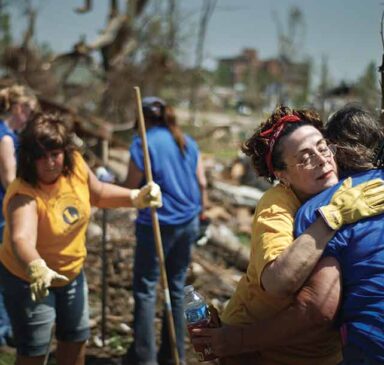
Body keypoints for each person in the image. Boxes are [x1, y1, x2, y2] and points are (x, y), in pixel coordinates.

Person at [191, 105, 384, 365]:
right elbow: (279, 283)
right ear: (282, 175)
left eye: (322, 147)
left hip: (313, 351)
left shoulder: (345, 189)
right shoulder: (277, 205)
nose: (320, 159)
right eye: (304, 157)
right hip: (258, 349)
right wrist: (331, 217)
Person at [0, 112, 162, 365]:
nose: (50, 162)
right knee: (35, 349)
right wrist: (36, 267)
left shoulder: (74, 164)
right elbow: (21, 238)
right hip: (29, 280)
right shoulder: (24, 192)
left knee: (75, 338)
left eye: (55, 154)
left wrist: (135, 198)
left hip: (72, 273)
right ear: (29, 158)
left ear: (64, 151)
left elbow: (97, 193)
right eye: (41, 156)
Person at [294, 105, 384, 364]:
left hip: (370, 345)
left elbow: (319, 309)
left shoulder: (318, 210)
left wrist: (240, 337)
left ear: (334, 150)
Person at [123, 96, 206, 365]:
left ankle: (145, 358)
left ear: (143, 118)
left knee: (146, 289)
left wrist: (108, 183)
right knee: (177, 286)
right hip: (188, 221)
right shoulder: (186, 141)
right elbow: (201, 182)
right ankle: (174, 355)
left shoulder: (144, 143)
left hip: (159, 222)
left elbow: (131, 187)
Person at [0, 84, 39, 346]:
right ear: (19, 108)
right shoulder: (5, 137)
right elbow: (9, 180)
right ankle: (4, 330)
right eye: (30, 112)